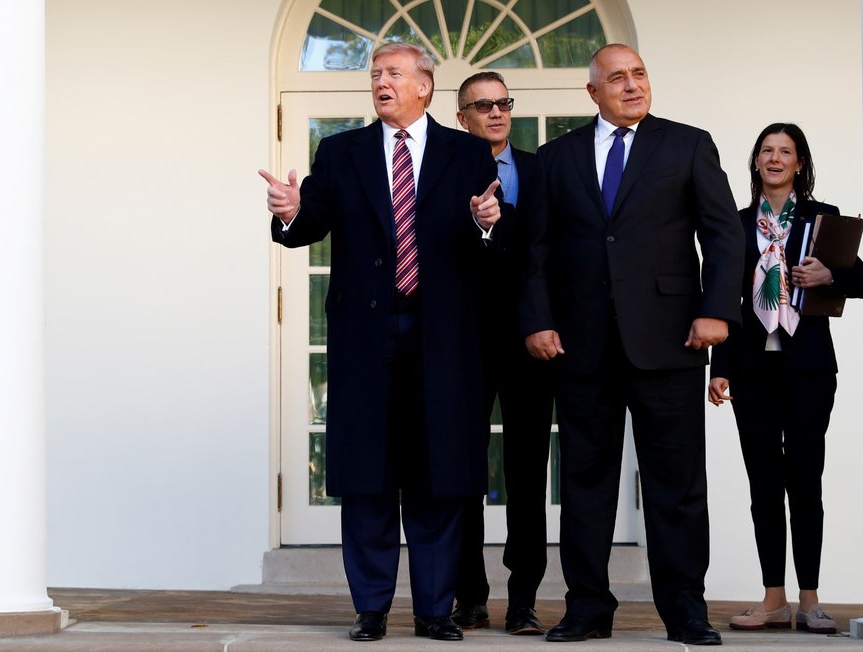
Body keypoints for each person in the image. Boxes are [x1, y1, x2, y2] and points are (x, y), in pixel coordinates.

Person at [258, 42, 502, 643]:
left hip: (442, 338)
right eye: (375, 75)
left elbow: (491, 234)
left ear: (424, 85)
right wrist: (291, 211)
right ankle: (370, 609)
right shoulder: (341, 151)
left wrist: (488, 222)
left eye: (393, 73)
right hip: (366, 336)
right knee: (368, 474)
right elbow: (308, 221)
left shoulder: (468, 152)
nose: (381, 82)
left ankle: (434, 611)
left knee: (436, 476)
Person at [521, 43, 744, 646]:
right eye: (617, 78)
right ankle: (587, 608)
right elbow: (534, 251)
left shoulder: (687, 144)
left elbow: (725, 237)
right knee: (585, 485)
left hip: (670, 341)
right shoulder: (555, 158)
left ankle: (685, 611)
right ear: (592, 92)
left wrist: (717, 312)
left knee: (676, 485)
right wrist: (537, 320)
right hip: (581, 346)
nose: (632, 85)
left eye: (639, 74)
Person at [708, 123, 863, 635]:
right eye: (767, 151)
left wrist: (831, 276)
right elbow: (724, 296)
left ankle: (811, 600)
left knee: (805, 479)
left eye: (786, 152)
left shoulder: (824, 220)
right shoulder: (733, 223)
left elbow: (861, 278)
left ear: (800, 163)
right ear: (756, 161)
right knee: (762, 483)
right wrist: (720, 367)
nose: (775, 159)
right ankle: (773, 599)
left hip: (809, 368)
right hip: (752, 368)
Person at [451, 71, 554, 636]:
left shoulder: (540, 171)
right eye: (482, 105)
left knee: (527, 474)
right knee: (462, 472)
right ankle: (469, 596)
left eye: (503, 103)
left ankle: (523, 599)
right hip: (462, 341)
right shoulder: (442, 168)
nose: (495, 113)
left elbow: (553, 247)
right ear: (461, 114)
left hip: (528, 341)